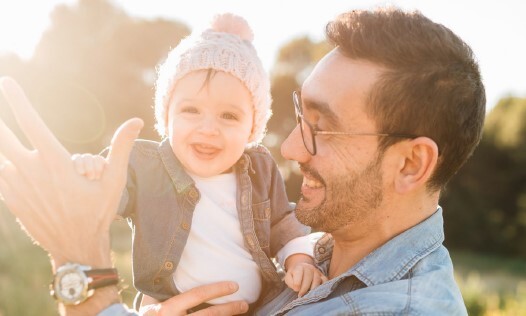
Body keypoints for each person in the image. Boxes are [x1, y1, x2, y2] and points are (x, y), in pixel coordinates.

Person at [0, 6, 485, 316]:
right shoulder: (319, 249)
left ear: (409, 164)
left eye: (324, 126)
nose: (291, 148)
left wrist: (82, 268)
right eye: (300, 113)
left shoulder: (393, 310)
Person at [71, 12, 325, 313]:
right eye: (191, 110)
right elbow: (104, 199)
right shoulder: (146, 166)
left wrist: (300, 260)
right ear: (167, 117)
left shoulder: (259, 168)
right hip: (170, 307)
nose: (208, 129)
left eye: (228, 116)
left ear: (252, 129)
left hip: (253, 307)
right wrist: (90, 173)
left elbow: (283, 224)